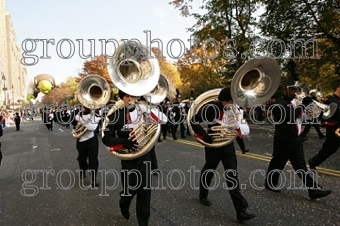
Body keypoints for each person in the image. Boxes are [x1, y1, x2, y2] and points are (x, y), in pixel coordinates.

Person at [189, 87, 255, 223]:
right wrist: (205, 135)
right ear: (223, 101)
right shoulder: (211, 108)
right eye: (230, 101)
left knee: (232, 176)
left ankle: (240, 211)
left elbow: (239, 129)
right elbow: (194, 121)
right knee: (209, 170)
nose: (232, 103)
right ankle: (203, 194)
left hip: (227, 146)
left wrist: (242, 145)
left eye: (233, 101)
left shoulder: (233, 109)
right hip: (213, 145)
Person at [102, 90, 167, 226]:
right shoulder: (115, 115)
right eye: (127, 96)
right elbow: (106, 139)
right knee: (129, 192)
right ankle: (123, 204)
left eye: (133, 95)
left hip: (145, 157)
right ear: (122, 98)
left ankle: (143, 222)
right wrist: (124, 142)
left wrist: (145, 108)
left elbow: (164, 119)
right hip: (129, 159)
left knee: (145, 194)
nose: (131, 98)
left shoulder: (143, 111)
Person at [264, 79, 332, 200]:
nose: (295, 92)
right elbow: (288, 117)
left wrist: (312, 110)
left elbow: (302, 117)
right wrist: (302, 105)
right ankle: (270, 183)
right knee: (278, 162)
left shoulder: (294, 103)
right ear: (286, 90)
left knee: (301, 166)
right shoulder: (278, 104)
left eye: (296, 90)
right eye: (293, 90)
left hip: (296, 138)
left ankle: (313, 190)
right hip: (284, 138)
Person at [309, 79, 340, 170]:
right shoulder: (331, 100)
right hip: (333, 128)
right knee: (330, 148)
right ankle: (314, 161)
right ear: (338, 88)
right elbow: (323, 115)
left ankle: (314, 161)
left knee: (330, 148)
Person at [72, 106, 101, 187]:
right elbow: (73, 124)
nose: (86, 106)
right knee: (82, 159)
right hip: (81, 141)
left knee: (93, 160)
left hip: (92, 141)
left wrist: (80, 120)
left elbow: (92, 127)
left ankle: (93, 179)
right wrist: (76, 119)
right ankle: (83, 170)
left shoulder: (95, 116)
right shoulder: (77, 114)